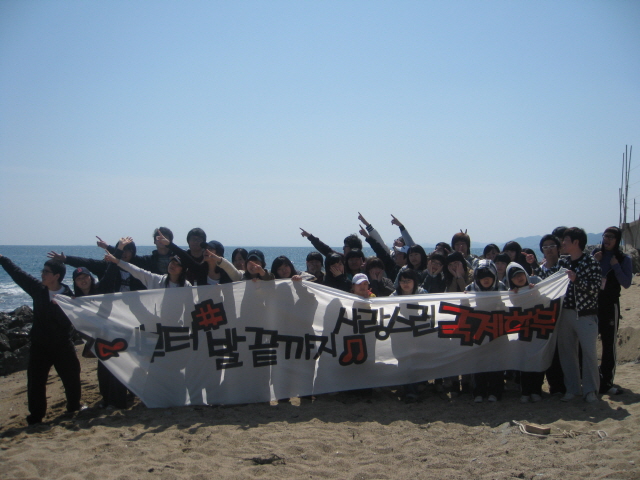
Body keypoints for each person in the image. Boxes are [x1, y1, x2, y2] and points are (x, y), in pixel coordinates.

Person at [0, 255, 82, 425]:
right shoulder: (38, 289)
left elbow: (71, 321)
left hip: (62, 345)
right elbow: (18, 274)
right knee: (35, 382)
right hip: (40, 345)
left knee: (72, 377)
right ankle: (36, 416)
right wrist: (3, 259)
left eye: (46, 272)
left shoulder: (69, 297)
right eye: (42, 271)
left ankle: (74, 407)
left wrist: (58, 307)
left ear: (56, 276)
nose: (42, 274)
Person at [556, 227, 602, 403]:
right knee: (567, 353)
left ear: (576, 242)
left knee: (589, 354)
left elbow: (595, 288)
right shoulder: (563, 263)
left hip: (585, 314)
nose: (563, 243)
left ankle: (590, 390)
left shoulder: (591, 262)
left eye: (566, 240)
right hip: (565, 313)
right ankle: (572, 389)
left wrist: (576, 280)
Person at [592, 226, 632, 395]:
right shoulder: (596, 254)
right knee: (588, 343)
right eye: (605, 236)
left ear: (617, 240)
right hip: (592, 304)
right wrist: (594, 261)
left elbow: (626, 283)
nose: (606, 239)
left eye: (611, 237)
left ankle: (607, 383)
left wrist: (616, 266)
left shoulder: (623, 259)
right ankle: (592, 379)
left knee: (608, 344)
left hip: (610, 304)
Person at [465, 260, 506, 403]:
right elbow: (464, 309)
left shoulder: (502, 287)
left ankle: (495, 391)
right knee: (478, 361)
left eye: (489, 275)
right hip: (478, 330)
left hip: (497, 329)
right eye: (482, 276)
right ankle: (479, 391)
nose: (486, 279)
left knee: (496, 361)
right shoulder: (469, 289)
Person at [104, 238, 192, 289]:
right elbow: (136, 271)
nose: (173, 265)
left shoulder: (187, 286)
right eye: (172, 262)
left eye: (177, 264)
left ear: (183, 270)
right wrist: (117, 261)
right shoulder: (157, 280)